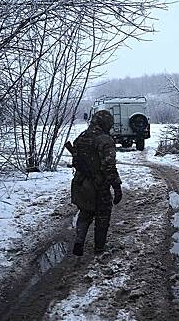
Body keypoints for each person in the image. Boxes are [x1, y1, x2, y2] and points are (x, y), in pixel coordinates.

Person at [67, 110, 122, 256]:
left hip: (81, 183)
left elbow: (75, 161)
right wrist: (116, 186)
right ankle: (99, 248)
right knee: (102, 215)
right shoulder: (105, 140)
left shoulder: (82, 137)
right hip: (99, 185)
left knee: (85, 213)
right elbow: (109, 166)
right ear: (106, 123)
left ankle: (79, 242)